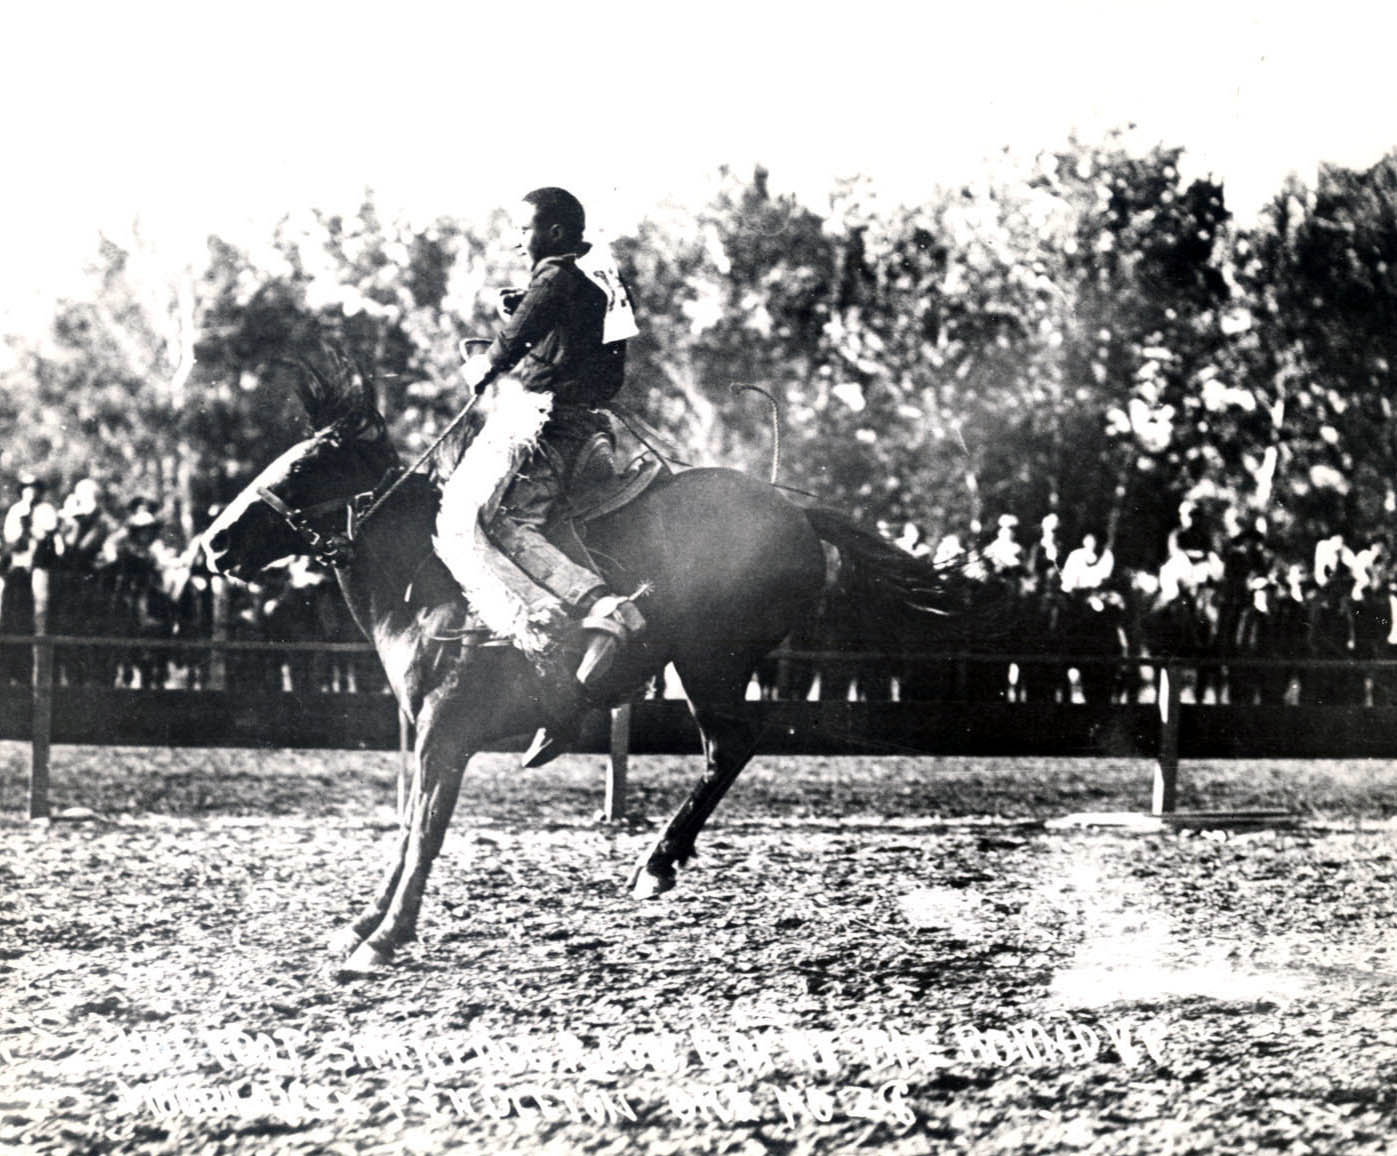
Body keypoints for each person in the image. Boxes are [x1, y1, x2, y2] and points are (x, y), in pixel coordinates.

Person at [435, 187, 645, 765]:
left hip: (551, 422)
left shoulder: (555, 272)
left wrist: (487, 364)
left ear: (553, 233)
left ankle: (589, 606)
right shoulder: (598, 270)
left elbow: (512, 342)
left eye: (525, 230)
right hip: (583, 417)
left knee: (490, 518)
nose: (518, 240)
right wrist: (522, 311)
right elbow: (561, 332)